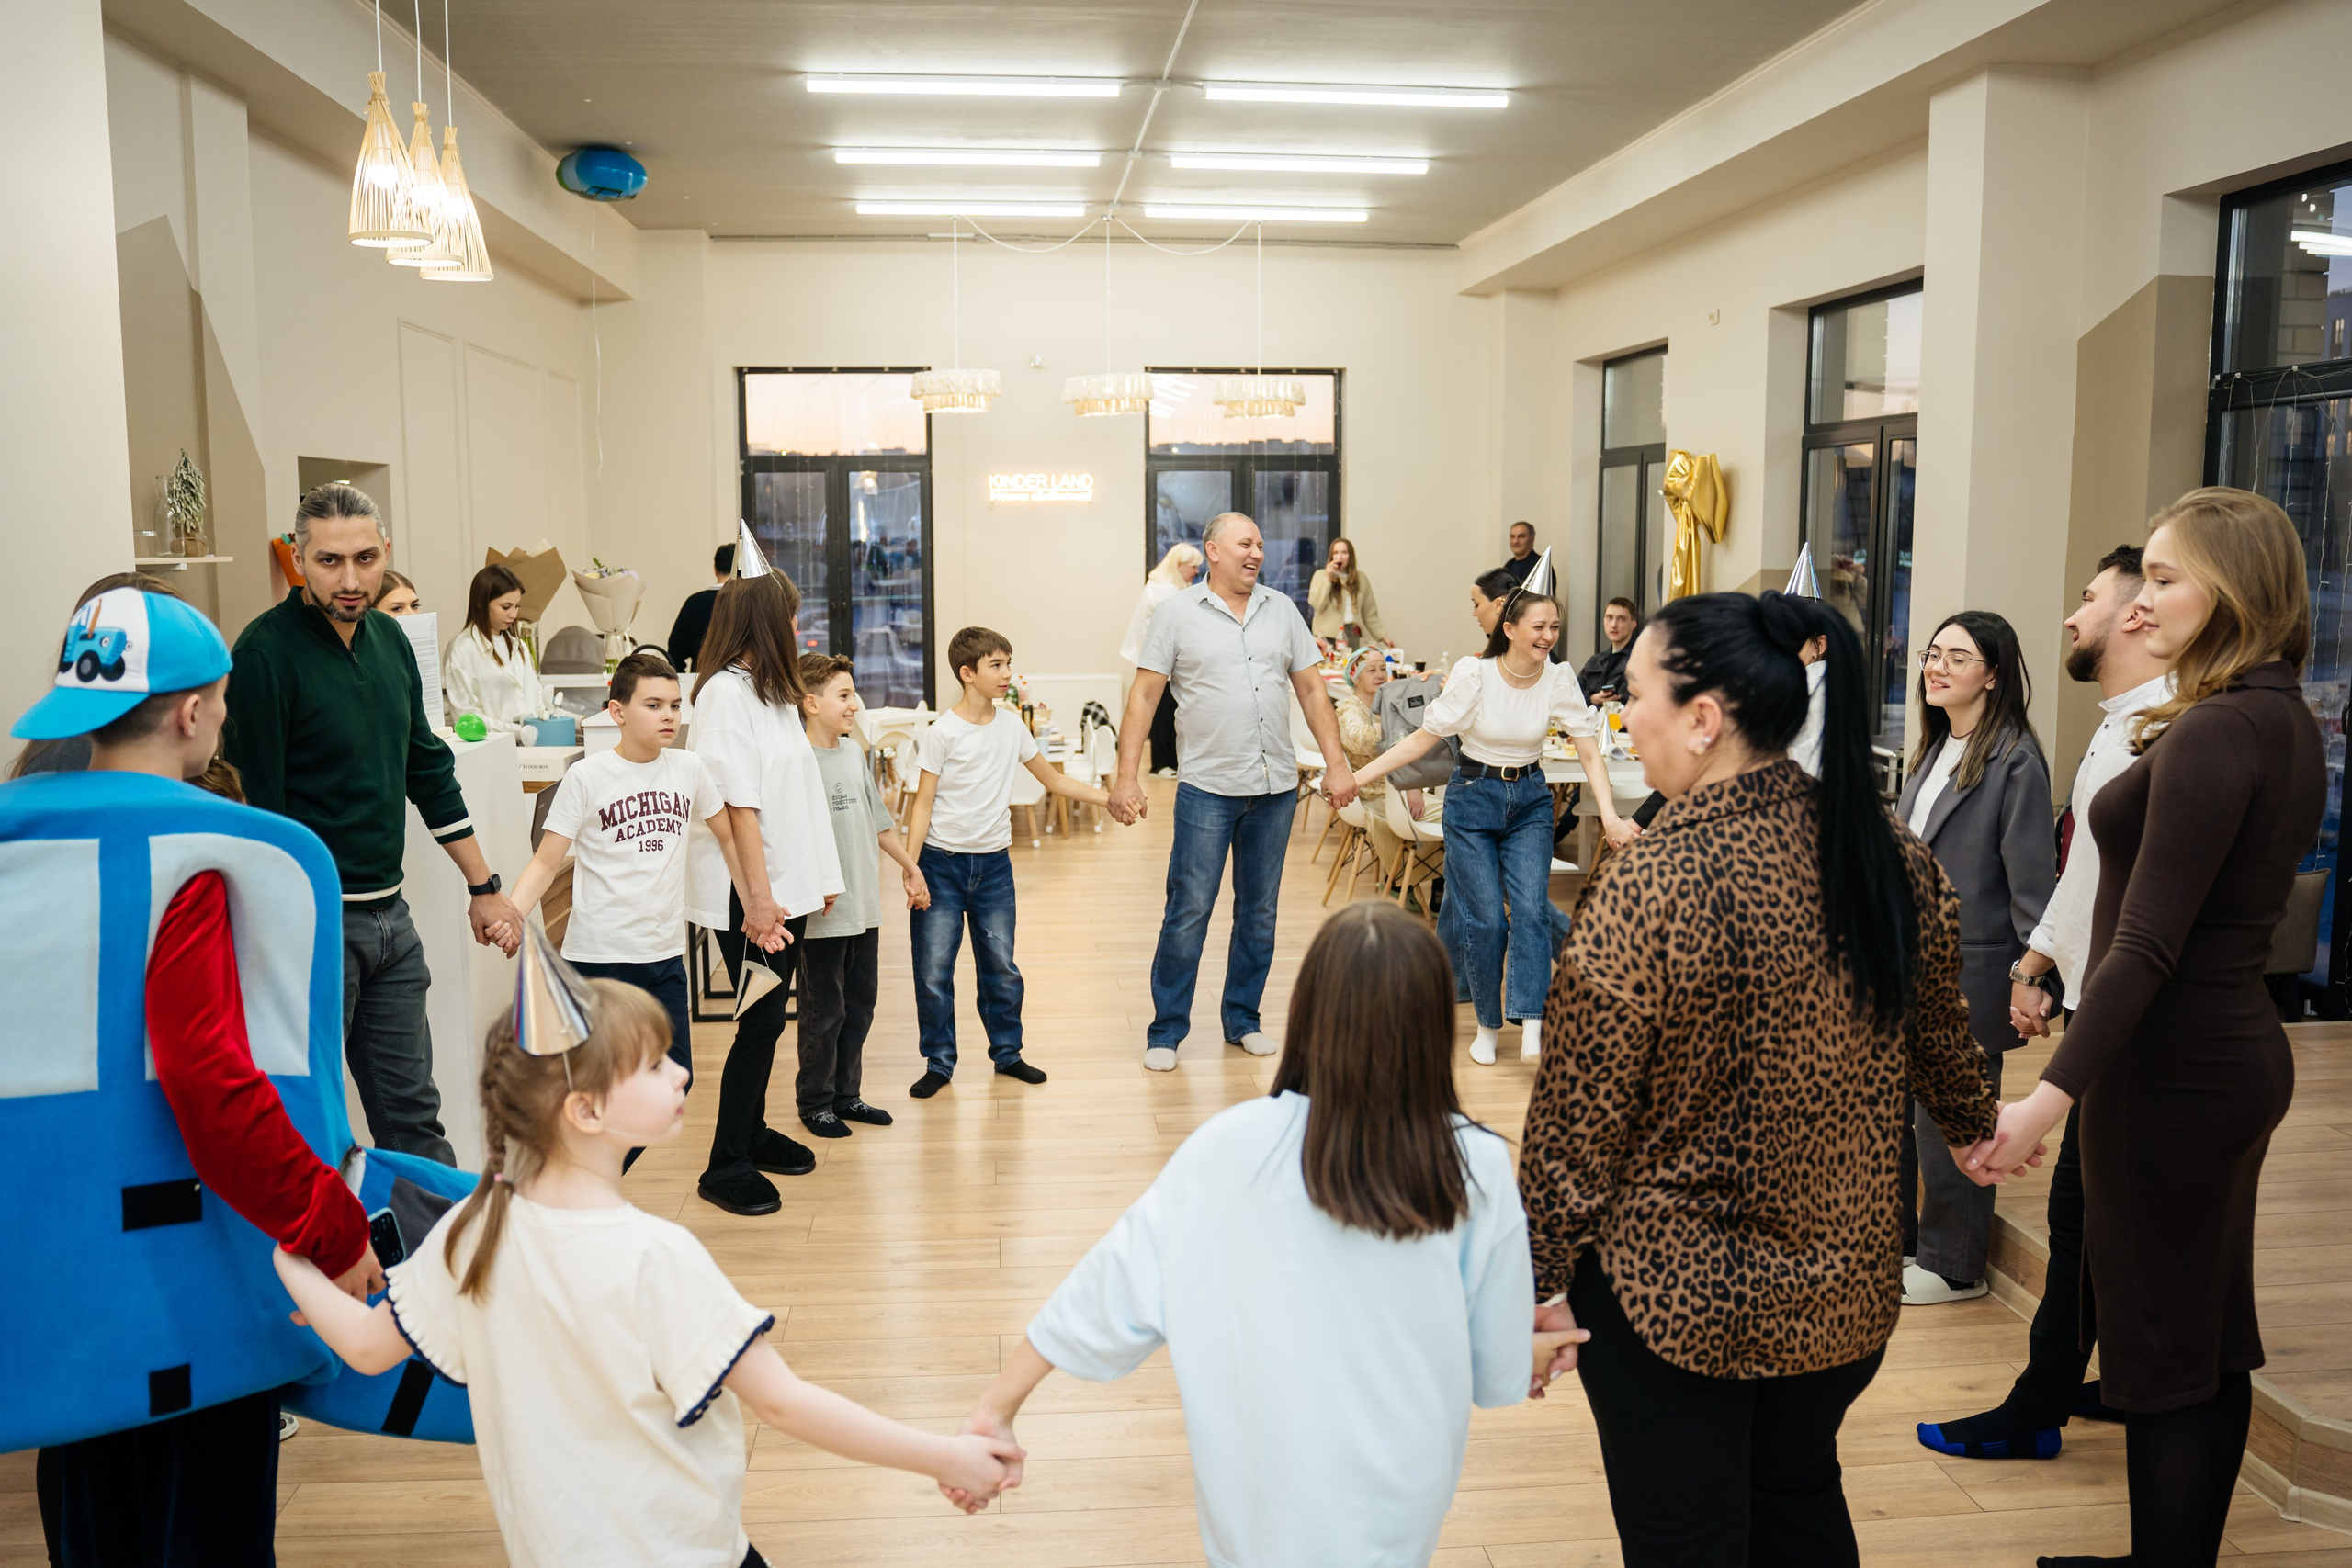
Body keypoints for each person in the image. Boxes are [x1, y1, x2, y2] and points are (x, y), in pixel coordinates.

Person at [1520, 590, 2008, 1567]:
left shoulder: (1654, 882)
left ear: (1704, 719)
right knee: (1795, 1503)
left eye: (1640, 695)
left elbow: (1575, 1127)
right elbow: (1940, 1033)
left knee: (1686, 1539)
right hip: (1843, 1292)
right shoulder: (1889, 857)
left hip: (1670, 1300)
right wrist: (1972, 1125)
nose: (1627, 716)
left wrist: (1537, 1285)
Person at [273, 970, 1022, 1568]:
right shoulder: (654, 1257)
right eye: (655, 1064)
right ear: (587, 1112)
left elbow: (368, 1348)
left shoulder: (476, 1229)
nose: (682, 1075)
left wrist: (288, 1258)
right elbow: (785, 1402)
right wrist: (944, 1454)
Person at [948, 904, 1582, 1565]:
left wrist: (995, 1408)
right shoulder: (1472, 1164)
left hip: (1254, 1500)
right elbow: (1494, 1371)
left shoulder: (1226, 1146)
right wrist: (1535, 1349)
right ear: (1431, 1028)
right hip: (1400, 1499)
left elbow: (1103, 1289)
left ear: (1307, 1013)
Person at [1970, 490, 2324, 1568]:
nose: (2139, 601)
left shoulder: (2222, 728)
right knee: (2199, 1346)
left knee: (2166, 1355)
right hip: (2211, 1063)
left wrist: (2042, 1098)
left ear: (2237, 591)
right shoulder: (2266, 711)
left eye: (2166, 579)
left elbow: (2146, 947)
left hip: (2177, 1074)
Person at [12, 586, 381, 1562]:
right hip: (189, 1288)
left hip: (53, 1282)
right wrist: (331, 1227)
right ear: (192, 711)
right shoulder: (198, 857)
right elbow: (208, 1076)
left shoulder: (23, 851)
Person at [1917, 544, 2167, 1461]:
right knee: (2076, 1219)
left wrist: (2034, 979)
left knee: (2096, 1217)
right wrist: (2040, 964)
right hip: (2066, 990)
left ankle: (2065, 1389)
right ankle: (2054, 1393)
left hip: (2120, 1021)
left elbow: (2064, 882)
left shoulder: (2165, 733)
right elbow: (2083, 878)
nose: (2073, 613)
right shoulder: (2113, 728)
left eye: (2090, 597)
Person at [224, 483, 521, 1165]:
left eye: (365, 558)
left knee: (414, 1115)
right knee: (309, 1122)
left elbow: (426, 767)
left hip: (390, 920)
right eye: (329, 561)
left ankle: (440, 1264)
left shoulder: (390, 641)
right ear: (298, 560)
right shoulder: (265, 656)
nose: (351, 579)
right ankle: (324, 1267)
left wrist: (485, 886)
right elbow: (255, 810)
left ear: (386, 551)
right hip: (312, 924)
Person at [506, 651, 776, 1171]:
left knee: (677, 1077)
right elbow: (545, 863)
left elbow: (728, 840)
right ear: (618, 711)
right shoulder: (587, 777)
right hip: (600, 960)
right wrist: (511, 917)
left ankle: (585, 1179)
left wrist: (754, 908)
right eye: (653, 705)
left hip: (664, 957)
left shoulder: (690, 769)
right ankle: (574, 1187)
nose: (669, 716)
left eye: (675, 705)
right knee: (601, 1090)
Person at [1107, 512, 1359, 1070]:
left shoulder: (1283, 611)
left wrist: (1337, 764)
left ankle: (1243, 1018)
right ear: (1213, 551)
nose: (1257, 554)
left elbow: (1314, 690)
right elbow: (1144, 698)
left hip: (1273, 787)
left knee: (1259, 912)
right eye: (1246, 544)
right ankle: (1166, 1030)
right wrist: (1127, 778)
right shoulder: (1175, 613)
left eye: (1262, 546)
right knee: (1189, 909)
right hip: (1207, 788)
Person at [1353, 588, 1633, 1066]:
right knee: (1483, 920)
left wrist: (1609, 815)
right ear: (1510, 630)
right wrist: (1352, 780)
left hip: (1529, 801)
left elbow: (1588, 749)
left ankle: (1533, 1022)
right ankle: (1487, 1025)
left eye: (1554, 627)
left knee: (1530, 912)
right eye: (1538, 627)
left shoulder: (1559, 679)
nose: (1548, 636)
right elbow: (1422, 740)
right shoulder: (1475, 675)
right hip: (1472, 801)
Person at [1894, 610, 2053, 1306]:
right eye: (1933, 654)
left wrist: (2034, 976)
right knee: (1895, 1112)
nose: (1938, 666)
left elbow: (2032, 885)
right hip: (1907, 961)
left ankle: (1956, 1266)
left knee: (1951, 1116)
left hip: (1972, 969)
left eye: (1958, 657)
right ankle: (1899, 1243)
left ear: (1993, 674)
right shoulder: (1934, 748)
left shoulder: (2014, 758)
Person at [686, 570, 839, 1215]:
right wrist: (759, 899)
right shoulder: (724, 696)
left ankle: (752, 1131)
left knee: (771, 1016)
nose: (796, 629)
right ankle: (726, 1161)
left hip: (782, 887)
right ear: (762, 623)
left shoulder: (772, 691)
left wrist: (819, 877)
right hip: (745, 891)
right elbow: (738, 809)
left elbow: (798, 794)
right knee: (759, 1019)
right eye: (789, 618)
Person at [902, 626, 1111, 1098]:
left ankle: (1007, 1054)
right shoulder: (942, 733)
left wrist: (1110, 799)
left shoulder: (1012, 726)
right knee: (934, 970)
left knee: (1001, 967)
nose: (1007, 674)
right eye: (996, 665)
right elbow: (922, 804)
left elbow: (1055, 782)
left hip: (994, 867)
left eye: (1008, 663)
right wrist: (912, 868)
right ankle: (939, 1062)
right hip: (941, 865)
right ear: (967, 673)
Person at [795, 652, 925, 1136]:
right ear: (811, 702)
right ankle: (815, 1102)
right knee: (823, 1012)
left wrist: (911, 867)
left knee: (860, 1005)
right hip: (823, 913)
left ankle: (848, 1095)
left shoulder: (852, 752)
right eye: (844, 695)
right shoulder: (797, 759)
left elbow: (878, 821)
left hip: (864, 908)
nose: (855, 704)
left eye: (853, 694)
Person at [1332, 645, 1432, 887]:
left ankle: (1433, 883)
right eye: (1371, 670)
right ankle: (1407, 882)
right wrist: (1399, 729)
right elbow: (1360, 739)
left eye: (1383, 669)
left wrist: (1413, 786)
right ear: (1355, 678)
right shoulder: (1349, 709)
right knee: (1444, 820)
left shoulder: (1387, 707)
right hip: (1370, 793)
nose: (1379, 675)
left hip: (1396, 788)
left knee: (1451, 812)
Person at [444, 563, 561, 741]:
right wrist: (518, 731)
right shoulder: (462, 650)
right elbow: (465, 717)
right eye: (506, 607)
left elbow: (536, 700)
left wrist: (579, 722)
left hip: (533, 743)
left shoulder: (519, 646)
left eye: (517, 606)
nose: (514, 614)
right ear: (481, 603)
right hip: (493, 748)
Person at [1121, 543, 1200, 777]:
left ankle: (1170, 762)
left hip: (1166, 660)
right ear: (1179, 565)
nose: (1196, 572)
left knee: (1168, 711)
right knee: (1162, 714)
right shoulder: (1163, 590)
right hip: (1159, 661)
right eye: (1193, 566)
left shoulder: (1169, 587)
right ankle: (1160, 764)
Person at [1306, 536, 1392, 658]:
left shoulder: (1361, 579)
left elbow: (1370, 613)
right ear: (1331, 556)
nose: (1339, 557)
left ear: (1350, 556)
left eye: (1344, 552)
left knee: (1352, 669)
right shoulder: (1320, 576)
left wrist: (1383, 637)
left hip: (1352, 635)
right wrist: (1328, 579)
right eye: (1336, 553)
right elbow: (1316, 604)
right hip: (1328, 636)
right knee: (1330, 671)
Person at [667, 543, 735, 671]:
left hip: (701, 682)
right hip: (741, 682)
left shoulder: (693, 602)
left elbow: (675, 654)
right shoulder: (745, 602)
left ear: (715, 569)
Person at [1578, 596, 1639, 702]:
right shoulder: (1595, 662)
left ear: (1633, 624)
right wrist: (1593, 698)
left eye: (1621, 619)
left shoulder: (1640, 660)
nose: (1614, 625)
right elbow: (1573, 693)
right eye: (1609, 617)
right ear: (1603, 621)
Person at [1501, 520, 1540, 585]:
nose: (1515, 541)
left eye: (1521, 536)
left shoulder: (1540, 566)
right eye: (1512, 536)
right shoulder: (1508, 566)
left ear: (1532, 539)